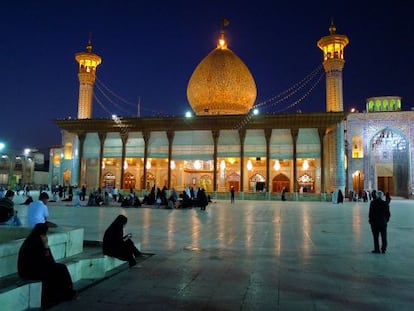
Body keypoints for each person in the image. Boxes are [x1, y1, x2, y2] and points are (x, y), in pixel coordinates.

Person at [17, 223, 77, 309]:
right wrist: (46, 246)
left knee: (58, 269)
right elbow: (49, 261)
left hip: (27, 271)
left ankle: (66, 294)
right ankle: (67, 294)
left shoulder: (30, 240)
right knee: (60, 269)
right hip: (29, 272)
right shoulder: (36, 243)